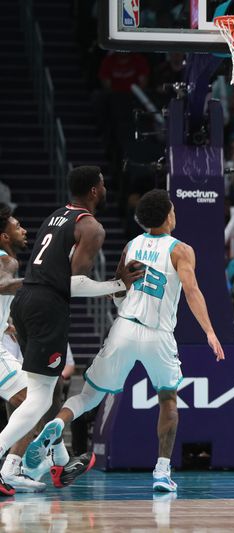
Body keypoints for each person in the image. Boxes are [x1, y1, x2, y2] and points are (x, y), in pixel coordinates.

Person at [24, 189, 225, 492]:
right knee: (168, 400)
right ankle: (161, 471)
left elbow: (119, 289)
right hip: (158, 335)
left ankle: (58, 424)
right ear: (169, 214)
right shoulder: (181, 250)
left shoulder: (131, 245)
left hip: (124, 327)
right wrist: (209, 331)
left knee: (90, 396)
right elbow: (193, 290)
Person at [0, 167, 143, 496]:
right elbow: (73, 284)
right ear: (94, 190)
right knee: (38, 398)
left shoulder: (56, 216)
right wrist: (117, 284)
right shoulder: (91, 227)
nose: (106, 189)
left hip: (24, 303)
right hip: (48, 307)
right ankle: (8, 461)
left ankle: (53, 464)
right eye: (104, 184)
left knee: (42, 392)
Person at [0, 206, 50, 492]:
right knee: (36, 400)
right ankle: (10, 467)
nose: (23, 230)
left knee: (34, 403)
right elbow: (3, 285)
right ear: (4, 236)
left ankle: (11, 467)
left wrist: (7, 323)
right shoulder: (8, 261)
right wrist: (39, 282)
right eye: (17, 226)